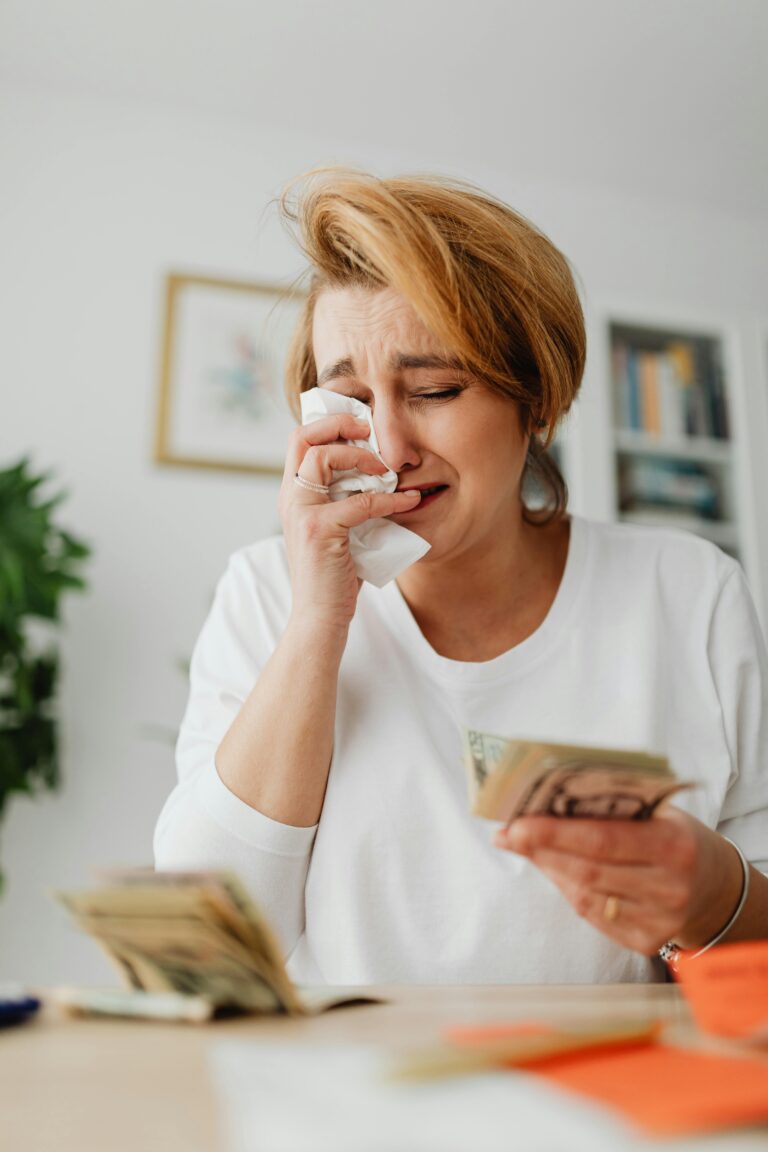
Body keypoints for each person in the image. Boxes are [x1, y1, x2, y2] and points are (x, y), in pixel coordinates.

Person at [154, 169, 768, 984]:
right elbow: (211, 941)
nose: (393, 448)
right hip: (345, 1099)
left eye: (437, 389)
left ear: (538, 399)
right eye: (351, 399)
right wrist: (317, 624)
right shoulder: (266, 594)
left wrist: (710, 893)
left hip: (605, 1099)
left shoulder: (687, 595)